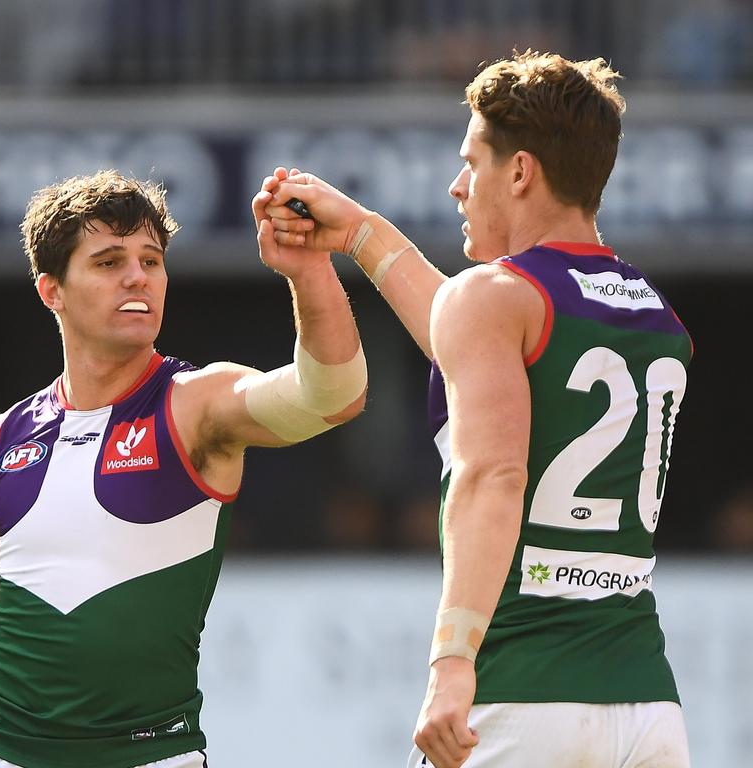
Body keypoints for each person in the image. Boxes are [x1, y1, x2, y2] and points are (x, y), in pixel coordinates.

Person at [264, 50, 692, 768]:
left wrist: (450, 664)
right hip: (647, 706)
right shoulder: (655, 314)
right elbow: (469, 337)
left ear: (520, 171)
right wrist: (359, 233)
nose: (458, 186)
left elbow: (493, 474)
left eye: (473, 162)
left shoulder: (493, 296)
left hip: (520, 693)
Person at [0, 168, 367, 768]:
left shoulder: (196, 403)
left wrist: (309, 270)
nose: (138, 276)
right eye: (108, 262)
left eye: (151, 260)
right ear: (51, 290)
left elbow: (333, 396)